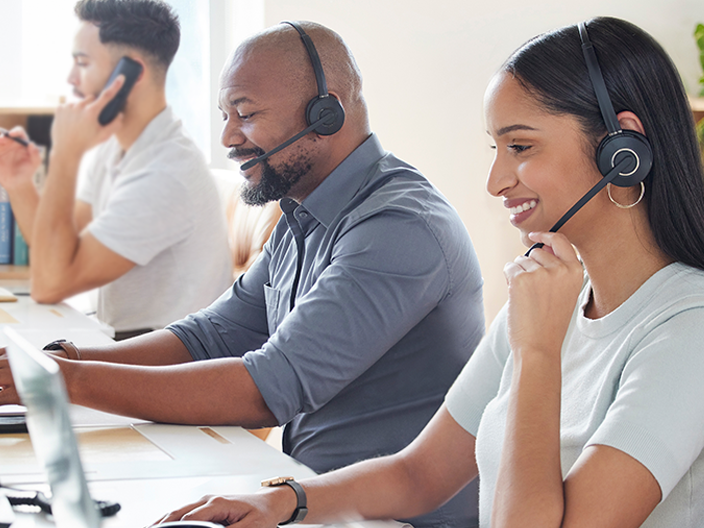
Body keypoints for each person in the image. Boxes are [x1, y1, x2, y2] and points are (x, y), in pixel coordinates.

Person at [151, 16, 704, 528]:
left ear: (621, 148)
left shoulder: (687, 330)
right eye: (496, 147)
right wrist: (284, 499)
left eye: (520, 146)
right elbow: (419, 475)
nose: (495, 181)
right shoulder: (552, 294)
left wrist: (538, 353)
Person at [0, 20, 485, 528]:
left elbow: (267, 390)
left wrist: (67, 381)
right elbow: (210, 336)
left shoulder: (398, 227)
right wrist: (61, 360)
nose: (229, 136)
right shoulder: (304, 213)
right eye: (225, 115)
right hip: (304, 492)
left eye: (246, 115)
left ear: (327, 112)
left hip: (389, 517)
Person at [0, 0, 232, 340]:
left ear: (129, 74)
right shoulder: (119, 147)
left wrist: (66, 153)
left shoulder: (166, 173)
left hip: (160, 371)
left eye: (83, 63)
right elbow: (62, 252)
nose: (71, 78)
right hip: (122, 347)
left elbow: (52, 284)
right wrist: (19, 183)